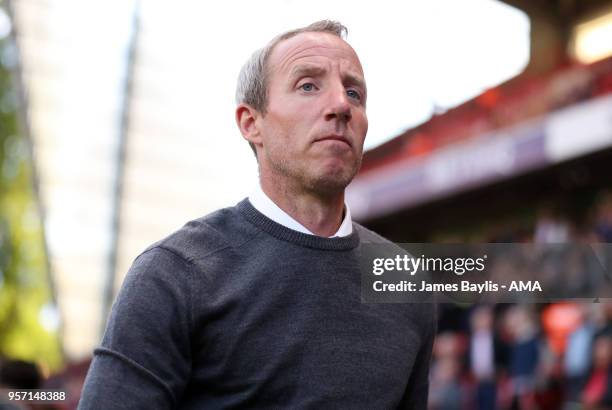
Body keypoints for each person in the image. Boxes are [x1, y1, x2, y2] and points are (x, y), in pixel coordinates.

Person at [78, 20, 436, 409]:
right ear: (252, 124)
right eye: (308, 86)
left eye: (354, 92)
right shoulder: (174, 274)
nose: (340, 106)